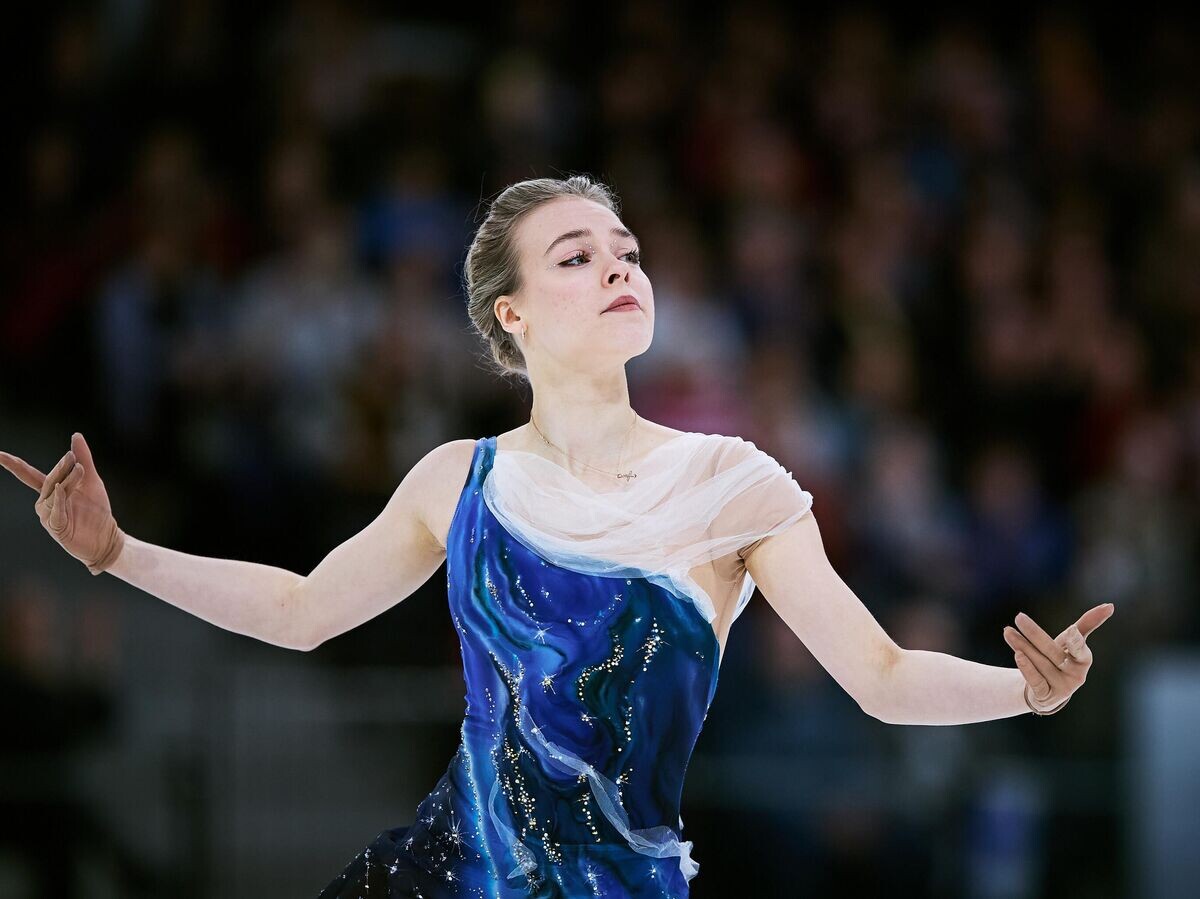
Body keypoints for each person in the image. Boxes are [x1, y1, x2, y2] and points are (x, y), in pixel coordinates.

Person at [0, 175, 1114, 898]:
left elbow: (879, 676)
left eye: (626, 248)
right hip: (444, 876)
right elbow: (301, 612)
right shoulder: (460, 477)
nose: (620, 265)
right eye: (578, 255)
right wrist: (117, 553)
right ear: (513, 317)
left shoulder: (733, 481)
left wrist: (1028, 692)